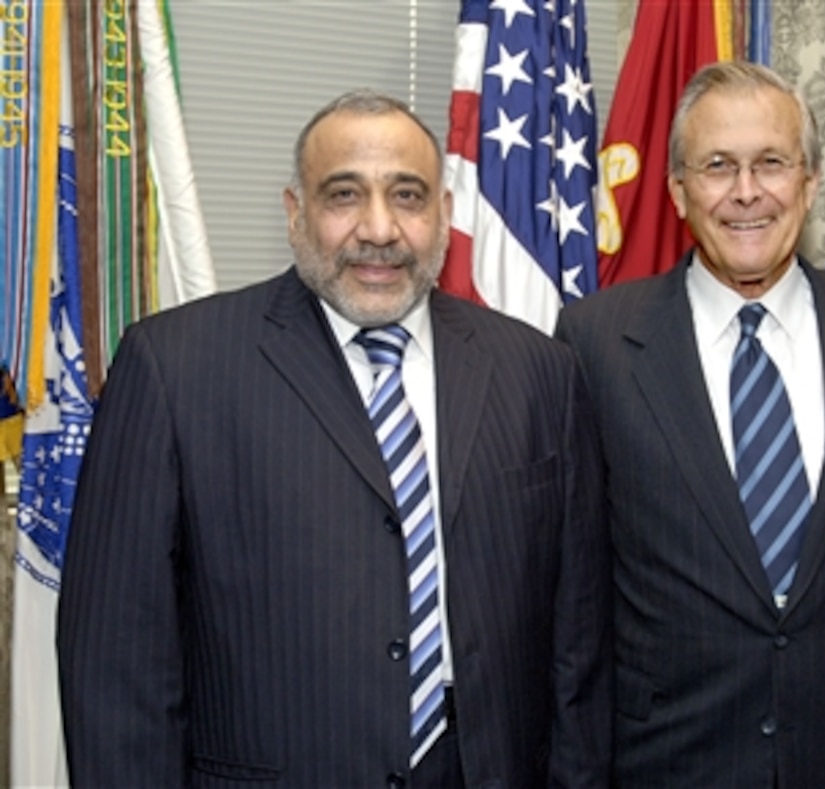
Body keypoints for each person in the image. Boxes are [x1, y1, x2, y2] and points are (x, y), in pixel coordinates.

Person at [57, 89, 611, 788]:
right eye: (344, 195)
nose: (378, 229)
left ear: (443, 213)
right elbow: (115, 665)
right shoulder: (174, 367)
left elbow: (578, 650)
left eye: (407, 196)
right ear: (296, 213)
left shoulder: (539, 371)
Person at [555, 61, 825, 788]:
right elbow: (576, 602)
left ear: (809, 182)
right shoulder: (595, 339)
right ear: (679, 189)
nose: (746, 192)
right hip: (665, 764)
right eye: (718, 166)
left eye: (771, 163)